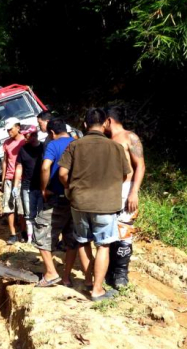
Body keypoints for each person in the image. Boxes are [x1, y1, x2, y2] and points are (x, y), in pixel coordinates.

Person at [58, 108, 130, 301]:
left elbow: (62, 174)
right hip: (105, 205)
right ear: (105, 123)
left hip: (79, 202)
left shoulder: (75, 146)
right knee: (103, 245)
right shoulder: (116, 147)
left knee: (83, 241)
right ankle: (97, 290)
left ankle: (88, 281)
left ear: (84, 124)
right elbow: (125, 175)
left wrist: (71, 189)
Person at [32, 117, 79, 287]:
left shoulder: (53, 144)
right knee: (71, 239)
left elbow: (45, 167)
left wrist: (44, 188)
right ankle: (66, 278)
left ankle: (51, 273)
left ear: (52, 132)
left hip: (57, 197)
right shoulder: (77, 142)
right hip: (75, 199)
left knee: (40, 232)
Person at [104, 105, 146, 289]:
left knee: (124, 232)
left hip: (125, 190)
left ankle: (121, 274)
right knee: (108, 232)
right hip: (107, 192)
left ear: (108, 120)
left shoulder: (130, 137)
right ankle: (109, 270)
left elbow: (140, 166)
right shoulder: (106, 139)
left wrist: (133, 191)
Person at [13, 125, 44, 245]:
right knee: (29, 214)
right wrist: (16, 185)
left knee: (41, 213)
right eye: (24, 135)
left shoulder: (43, 148)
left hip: (41, 186)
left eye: (27, 135)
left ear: (34, 135)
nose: (25, 137)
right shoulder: (23, 149)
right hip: (27, 186)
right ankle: (30, 239)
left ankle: (40, 237)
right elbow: (19, 167)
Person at [2, 117, 26, 245]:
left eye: (10, 129)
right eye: (7, 130)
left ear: (18, 127)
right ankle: (12, 233)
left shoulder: (24, 142)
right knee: (9, 207)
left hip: (22, 179)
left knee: (21, 208)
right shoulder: (6, 143)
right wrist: (3, 179)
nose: (9, 132)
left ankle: (23, 231)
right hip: (9, 179)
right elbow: (5, 161)